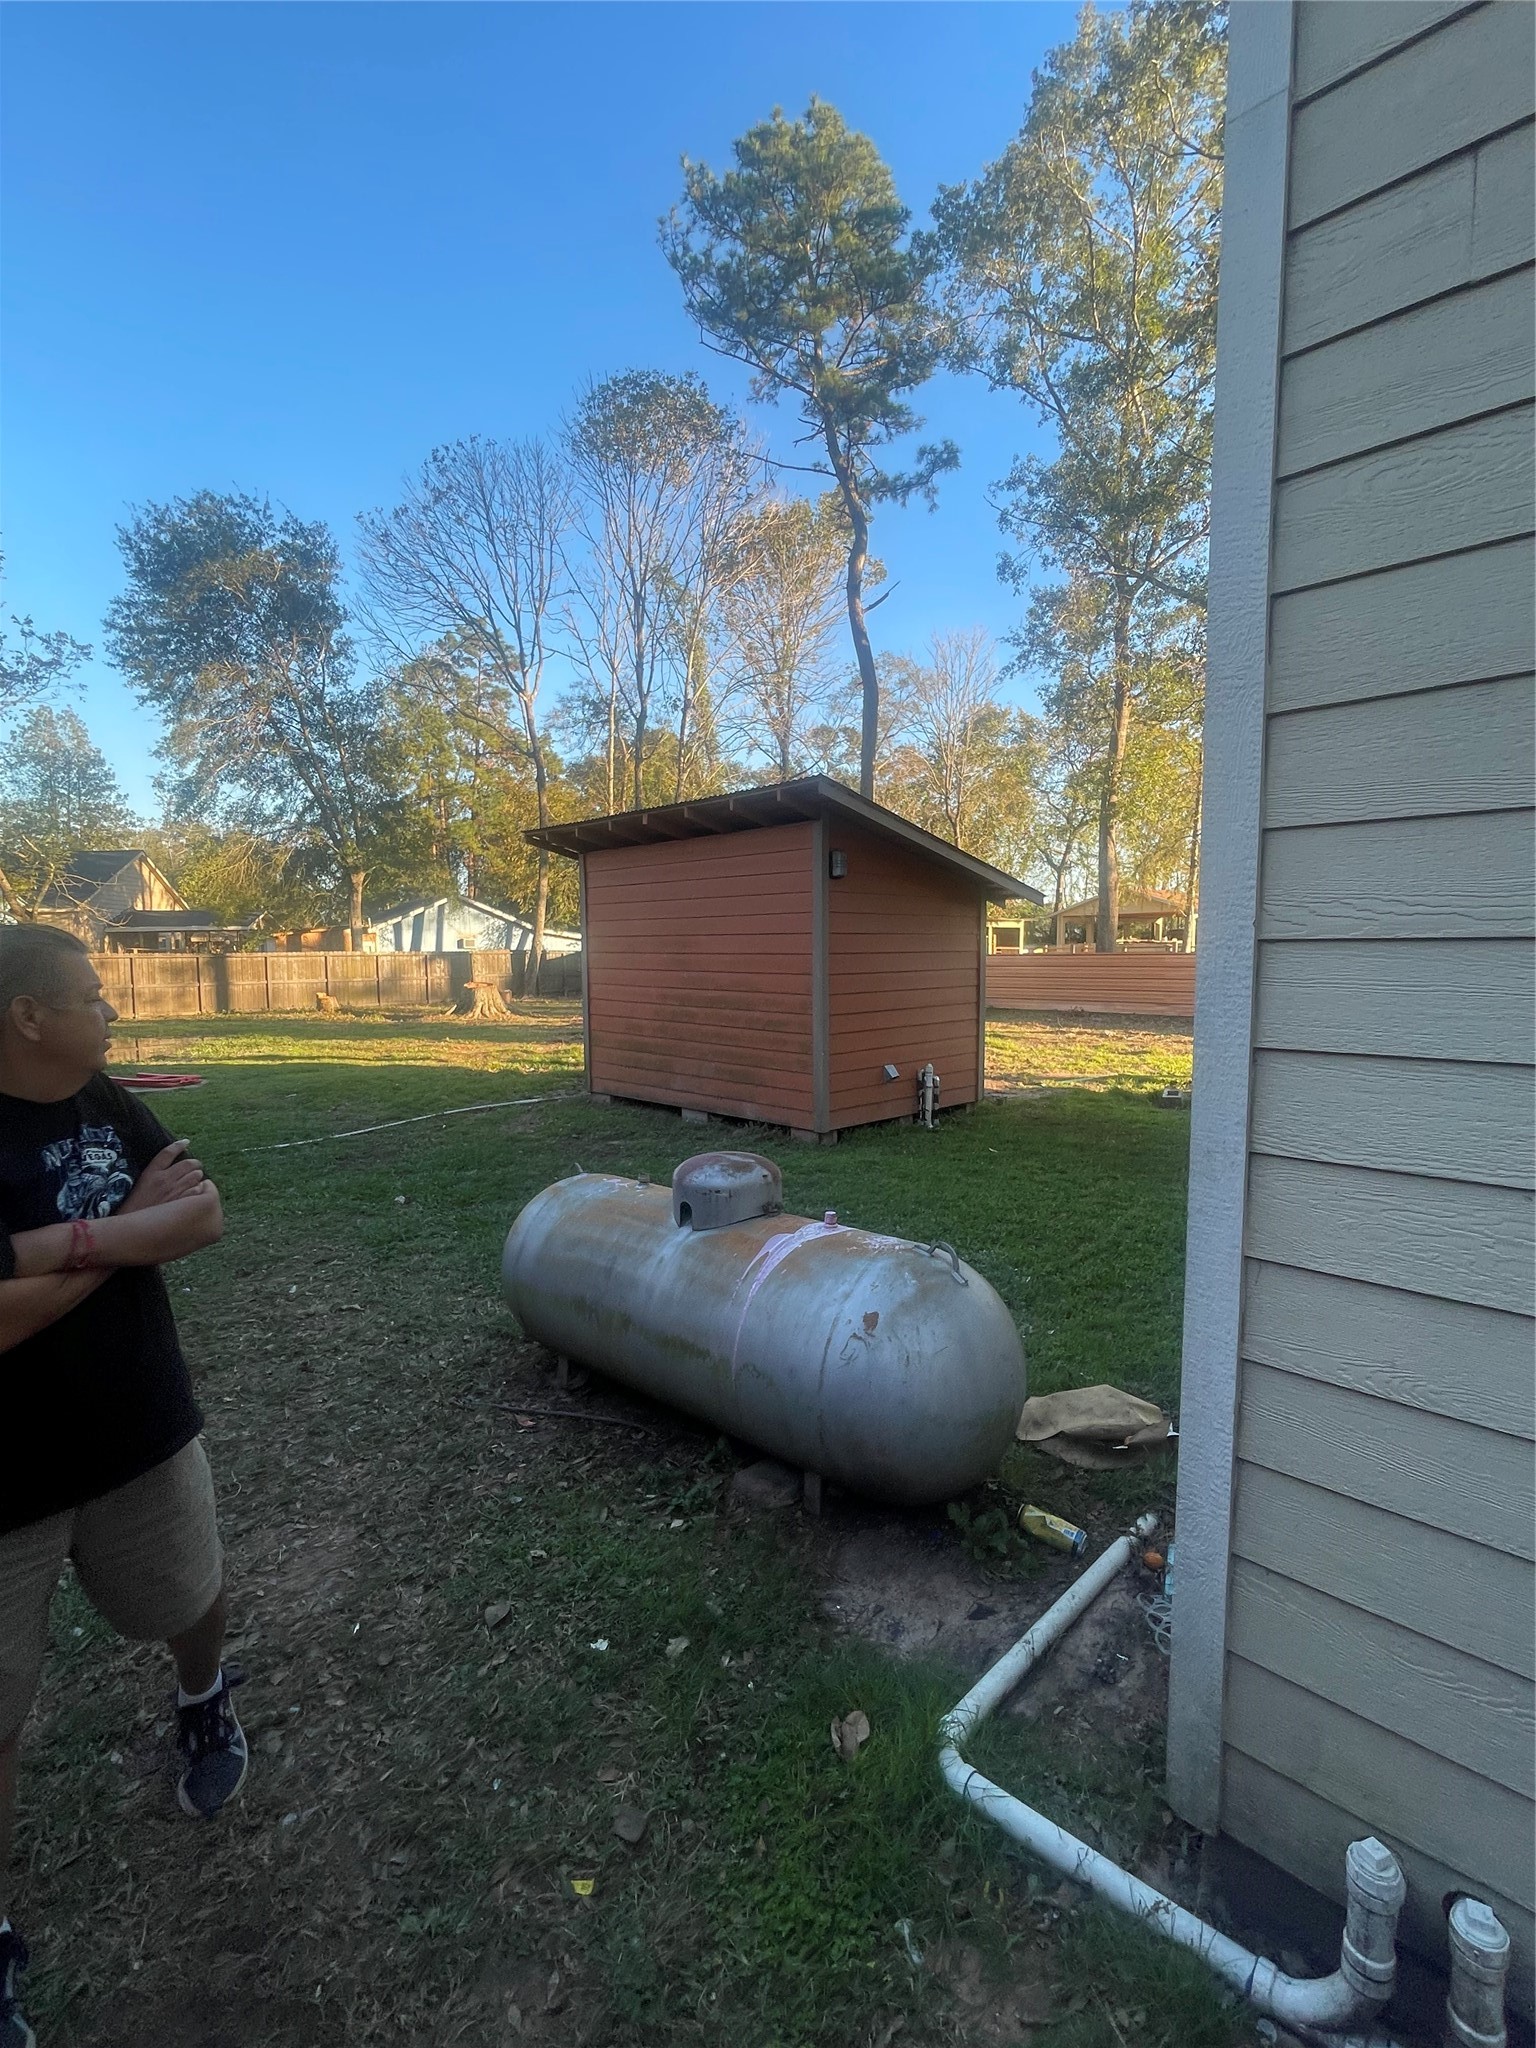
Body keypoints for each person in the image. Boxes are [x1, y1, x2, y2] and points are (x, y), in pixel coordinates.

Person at [0, 924, 246, 2048]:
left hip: (143, 1433)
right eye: (92, 994)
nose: (111, 1010)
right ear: (28, 1015)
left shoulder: (106, 1101)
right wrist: (125, 1234)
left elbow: (199, 1213)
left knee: (190, 1595)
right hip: (6, 1486)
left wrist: (59, 1246)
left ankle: (205, 1701)